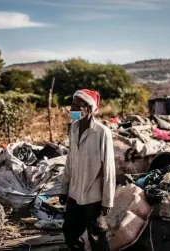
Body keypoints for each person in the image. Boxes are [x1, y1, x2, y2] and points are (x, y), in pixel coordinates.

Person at [60, 89, 116, 251]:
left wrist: (107, 201)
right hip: (75, 194)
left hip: (94, 197)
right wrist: (64, 189)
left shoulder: (102, 132)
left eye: (79, 105)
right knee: (70, 233)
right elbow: (70, 161)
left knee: (97, 237)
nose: (74, 108)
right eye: (73, 104)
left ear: (90, 109)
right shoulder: (74, 128)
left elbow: (109, 169)